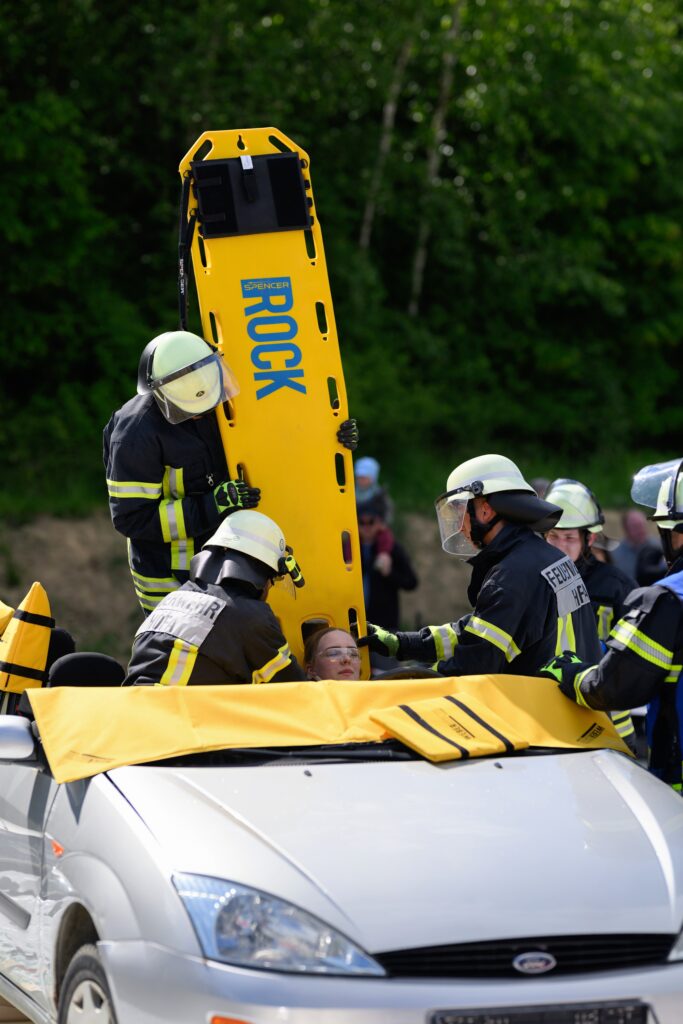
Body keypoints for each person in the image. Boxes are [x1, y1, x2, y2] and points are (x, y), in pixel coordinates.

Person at [104, 331, 359, 614]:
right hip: (171, 580)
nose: (204, 413)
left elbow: (278, 440)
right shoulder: (136, 434)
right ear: (163, 395)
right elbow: (133, 519)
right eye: (192, 410)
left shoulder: (218, 400)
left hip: (230, 562)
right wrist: (212, 505)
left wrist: (330, 439)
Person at [361, 454, 601, 676]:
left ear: (485, 510)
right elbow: (473, 633)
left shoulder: (513, 575)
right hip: (570, 713)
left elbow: (476, 663)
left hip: (541, 716)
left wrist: (413, 681)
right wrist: (400, 643)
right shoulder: (546, 558)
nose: (459, 528)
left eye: (458, 512)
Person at [540, 458, 683, 789]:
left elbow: (614, 684)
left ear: (673, 534)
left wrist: (570, 671)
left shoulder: (665, 600)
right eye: (553, 537)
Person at [126, 510, 308, 687]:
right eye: (271, 580)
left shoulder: (172, 599)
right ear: (260, 572)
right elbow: (293, 688)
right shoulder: (250, 617)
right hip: (176, 713)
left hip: (135, 708)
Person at [543, 477, 638, 748]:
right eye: (553, 536)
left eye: (569, 538)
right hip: (548, 706)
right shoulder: (533, 581)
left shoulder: (617, 587)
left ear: (590, 538)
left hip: (606, 714)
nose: (560, 546)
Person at [358, 493, 418, 632]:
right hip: (355, 625)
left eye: (371, 521)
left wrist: (389, 573)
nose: (366, 527)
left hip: (384, 626)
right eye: (361, 522)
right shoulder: (348, 549)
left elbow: (411, 582)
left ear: (379, 523)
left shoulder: (392, 548)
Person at [613, 508, 667, 587]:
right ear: (626, 529)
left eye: (642, 525)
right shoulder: (615, 555)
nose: (640, 529)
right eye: (635, 526)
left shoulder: (660, 547)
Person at [354, 456, 394, 525]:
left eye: (364, 477)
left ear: (373, 477)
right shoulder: (349, 494)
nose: (361, 480)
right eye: (359, 477)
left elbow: (387, 515)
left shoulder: (380, 495)